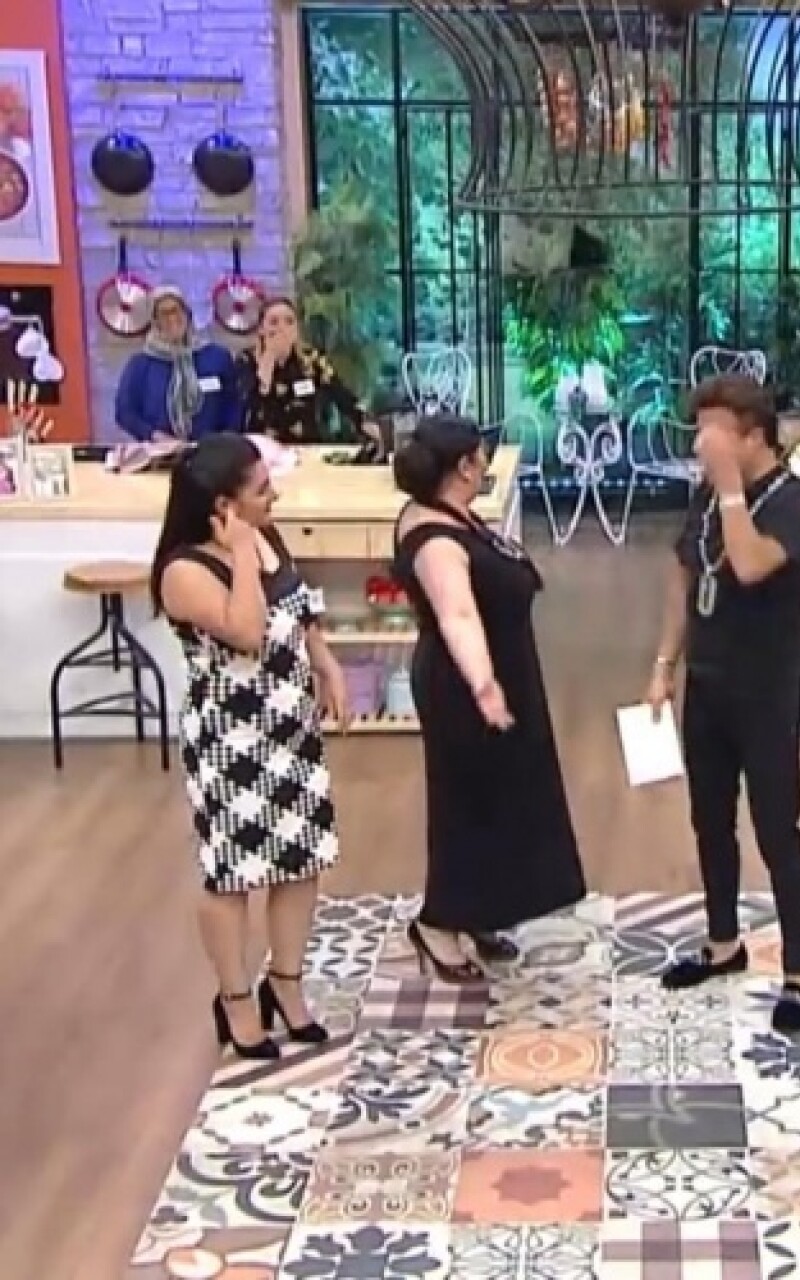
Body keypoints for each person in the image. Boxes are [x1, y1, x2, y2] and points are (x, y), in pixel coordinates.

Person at [150, 434, 348, 1059]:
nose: (274, 497)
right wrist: (239, 551)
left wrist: (325, 662)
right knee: (231, 873)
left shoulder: (267, 537)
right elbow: (247, 631)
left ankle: (285, 984)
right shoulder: (185, 571)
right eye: (261, 490)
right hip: (230, 744)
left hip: (291, 731)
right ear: (222, 505)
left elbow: (298, 605)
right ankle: (236, 1000)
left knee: (301, 861)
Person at [646, 374, 800, 1034]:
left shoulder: (793, 503)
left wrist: (728, 489)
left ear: (754, 438)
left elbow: (747, 566)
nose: (701, 445)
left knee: (778, 830)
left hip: (766, 690)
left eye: (714, 434)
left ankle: (799, 972)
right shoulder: (705, 496)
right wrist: (664, 665)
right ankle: (723, 943)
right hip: (707, 682)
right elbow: (684, 577)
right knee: (709, 821)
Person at [390, 414, 585, 981]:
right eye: (480, 458)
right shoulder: (434, 539)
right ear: (463, 468)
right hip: (463, 687)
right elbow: (457, 615)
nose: (486, 467)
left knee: (503, 799)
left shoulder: (454, 513)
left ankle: (479, 911)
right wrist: (484, 685)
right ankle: (437, 922)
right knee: (467, 803)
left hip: (503, 673)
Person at [235, 297, 378, 444]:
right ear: (261, 329)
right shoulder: (247, 360)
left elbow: (342, 395)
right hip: (262, 445)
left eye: (289, 322)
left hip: (307, 444)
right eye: (274, 322)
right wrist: (269, 360)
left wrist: (365, 422)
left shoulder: (311, 360)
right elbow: (247, 405)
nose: (282, 328)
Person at [115, 286, 241, 442]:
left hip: (211, 449)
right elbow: (125, 412)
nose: (172, 318)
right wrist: (152, 434)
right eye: (164, 313)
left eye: (176, 310)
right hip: (160, 449)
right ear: (155, 321)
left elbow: (233, 404)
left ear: (187, 314)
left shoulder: (217, 357)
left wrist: (224, 440)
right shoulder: (140, 364)